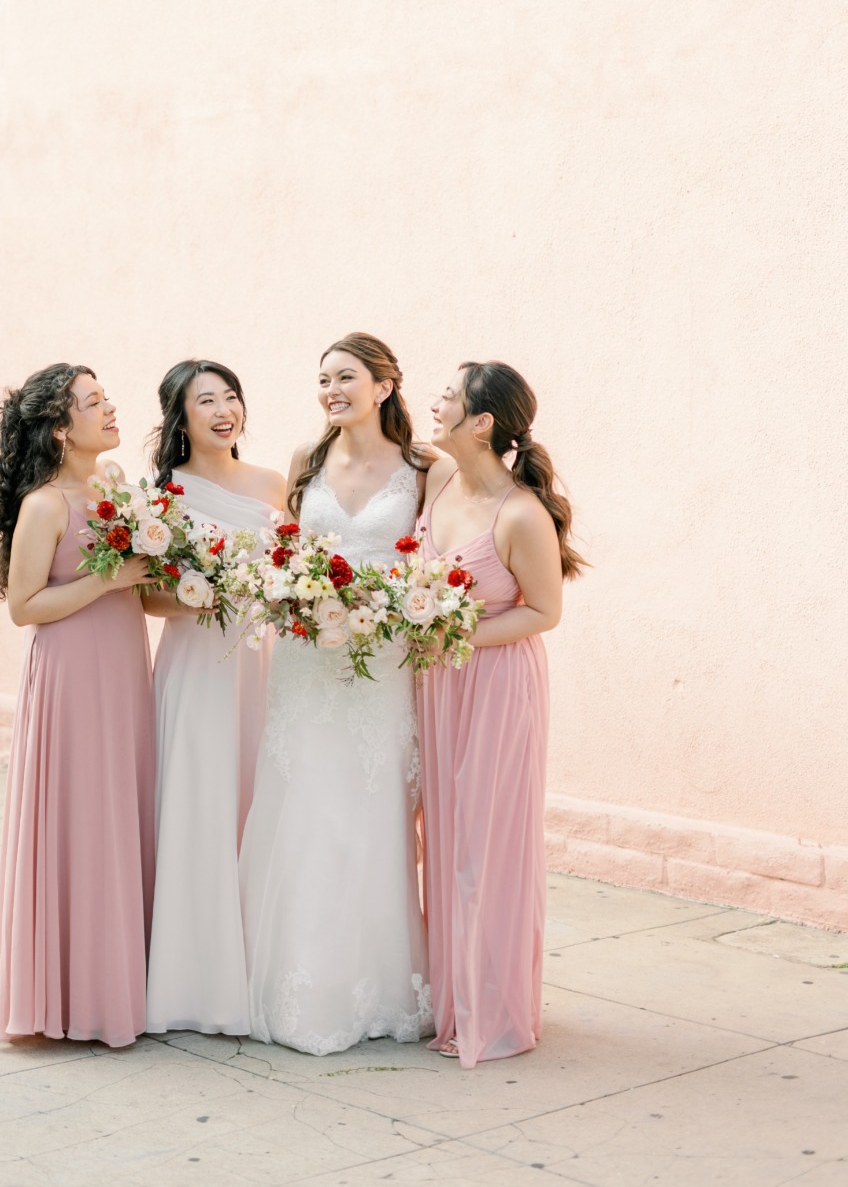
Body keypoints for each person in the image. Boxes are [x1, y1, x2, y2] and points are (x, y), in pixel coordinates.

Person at [238, 332, 434, 1054]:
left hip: (381, 660)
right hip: (304, 656)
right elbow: (285, 549)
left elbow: (434, 559)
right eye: (323, 379)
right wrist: (289, 591)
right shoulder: (306, 461)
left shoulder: (424, 468)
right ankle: (297, 986)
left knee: (370, 808)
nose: (331, 390)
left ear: (384, 385)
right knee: (305, 800)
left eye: (345, 377)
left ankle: (376, 988)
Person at [0, 365, 155, 1048]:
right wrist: (106, 579)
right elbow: (26, 606)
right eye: (93, 402)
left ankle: (120, 982)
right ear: (60, 428)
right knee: (81, 818)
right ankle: (72, 998)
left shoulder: (114, 488)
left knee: (119, 810)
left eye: (107, 396)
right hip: (71, 676)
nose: (111, 408)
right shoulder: (47, 503)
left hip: (121, 667)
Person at [418, 360, 582, 1066]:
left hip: (496, 684)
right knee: (445, 833)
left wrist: (451, 635)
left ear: (481, 422)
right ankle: (451, 999)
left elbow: (544, 612)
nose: (436, 402)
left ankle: (497, 1010)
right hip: (439, 683)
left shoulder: (520, 513)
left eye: (449, 396)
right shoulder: (440, 479)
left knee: (489, 842)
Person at [144, 359, 285, 1035]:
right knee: (201, 802)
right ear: (181, 416)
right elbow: (147, 596)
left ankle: (261, 966)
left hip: (262, 666)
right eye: (208, 400)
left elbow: (293, 565)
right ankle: (196, 982)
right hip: (197, 663)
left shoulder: (270, 483)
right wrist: (210, 591)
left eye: (232, 396)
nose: (225, 410)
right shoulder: (164, 494)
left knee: (261, 802)